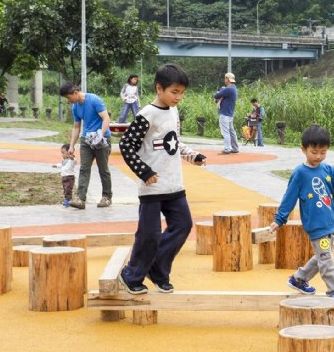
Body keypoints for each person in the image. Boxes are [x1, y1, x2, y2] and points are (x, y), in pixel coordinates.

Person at [117, 63, 205, 294]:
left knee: (183, 225)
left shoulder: (173, 112)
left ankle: (157, 269)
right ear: (159, 88)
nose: (179, 97)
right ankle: (132, 275)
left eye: (182, 93)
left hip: (174, 183)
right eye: (174, 92)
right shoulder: (147, 115)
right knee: (149, 234)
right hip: (152, 187)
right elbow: (126, 145)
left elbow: (174, 143)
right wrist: (144, 172)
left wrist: (192, 155)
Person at [269, 124, 334, 299]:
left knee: (324, 256)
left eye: (323, 152)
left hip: (330, 222)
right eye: (314, 152)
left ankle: (299, 279)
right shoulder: (300, 173)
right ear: (303, 150)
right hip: (316, 226)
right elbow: (289, 198)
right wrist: (279, 219)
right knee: (327, 260)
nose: (318, 156)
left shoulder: (328, 170)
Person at [59, 82, 113, 209]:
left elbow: (106, 119)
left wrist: (101, 134)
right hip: (86, 140)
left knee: (103, 169)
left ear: (75, 93)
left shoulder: (94, 100)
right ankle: (81, 199)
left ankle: (107, 197)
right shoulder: (75, 107)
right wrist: (71, 145)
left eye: (69, 97)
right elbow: (77, 127)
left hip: (102, 139)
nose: (69, 100)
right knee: (84, 168)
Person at [213, 71, 239, 154]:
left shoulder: (228, 89)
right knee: (231, 132)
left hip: (224, 113)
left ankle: (227, 149)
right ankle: (235, 148)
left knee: (226, 132)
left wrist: (220, 91)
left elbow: (216, 96)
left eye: (225, 78)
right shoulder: (234, 88)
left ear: (227, 79)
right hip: (230, 114)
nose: (225, 80)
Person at [54, 143, 77, 207]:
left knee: (68, 189)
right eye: (62, 153)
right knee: (65, 189)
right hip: (64, 177)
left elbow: (75, 161)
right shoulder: (64, 160)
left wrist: (72, 157)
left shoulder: (72, 160)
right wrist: (56, 165)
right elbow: (61, 165)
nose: (62, 155)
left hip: (70, 178)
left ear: (69, 152)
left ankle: (68, 200)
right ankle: (67, 199)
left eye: (63, 153)